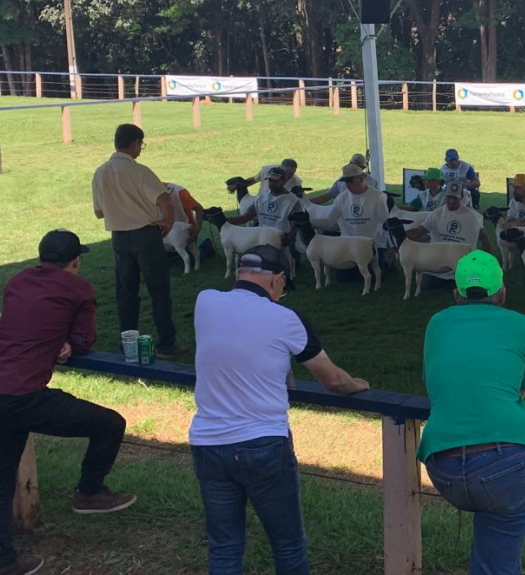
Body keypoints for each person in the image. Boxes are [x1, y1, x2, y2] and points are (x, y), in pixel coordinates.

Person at [190, 245, 368, 575]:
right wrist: (356, 384)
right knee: (287, 543)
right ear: (278, 280)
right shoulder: (287, 319)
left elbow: (241, 344)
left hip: (208, 442)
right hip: (263, 443)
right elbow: (332, 380)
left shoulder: (206, 301)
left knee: (225, 544)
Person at [0, 230, 136, 575]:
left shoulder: (18, 280)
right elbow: (85, 338)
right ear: (75, 260)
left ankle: (2, 561)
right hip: (25, 395)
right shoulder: (79, 288)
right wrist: (70, 345)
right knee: (109, 424)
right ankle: (89, 492)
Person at [419, 251, 525, 575]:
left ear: (456, 294)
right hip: (506, 460)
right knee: (498, 562)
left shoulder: (437, 323)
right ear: (502, 292)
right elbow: (522, 389)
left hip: (441, 463)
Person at [91, 124, 185, 357]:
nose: (140, 150)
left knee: (126, 293)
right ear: (134, 143)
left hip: (119, 238)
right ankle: (166, 343)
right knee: (159, 290)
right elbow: (165, 199)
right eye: (140, 145)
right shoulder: (139, 171)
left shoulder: (100, 172)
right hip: (146, 235)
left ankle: (128, 342)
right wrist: (169, 221)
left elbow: (99, 212)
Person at [402, 181, 492, 290]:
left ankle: (461, 280)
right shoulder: (437, 213)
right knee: (427, 285)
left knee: (472, 286)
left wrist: (490, 262)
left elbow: (484, 238)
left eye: (455, 198)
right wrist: (400, 233)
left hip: (462, 263)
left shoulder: (474, 217)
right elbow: (419, 231)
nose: (451, 201)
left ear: (462, 197)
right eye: (449, 197)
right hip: (437, 265)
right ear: (445, 196)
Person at [227, 167, 305, 233]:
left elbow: (297, 226)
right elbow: (245, 217)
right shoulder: (261, 199)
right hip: (261, 238)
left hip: (280, 240)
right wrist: (223, 219)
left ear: (283, 181)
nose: (272, 183)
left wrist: (288, 238)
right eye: (270, 180)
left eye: (276, 181)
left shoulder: (293, 201)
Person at [310, 154, 377, 205]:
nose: (348, 185)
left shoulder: (371, 182)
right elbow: (327, 197)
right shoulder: (341, 182)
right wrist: (306, 202)